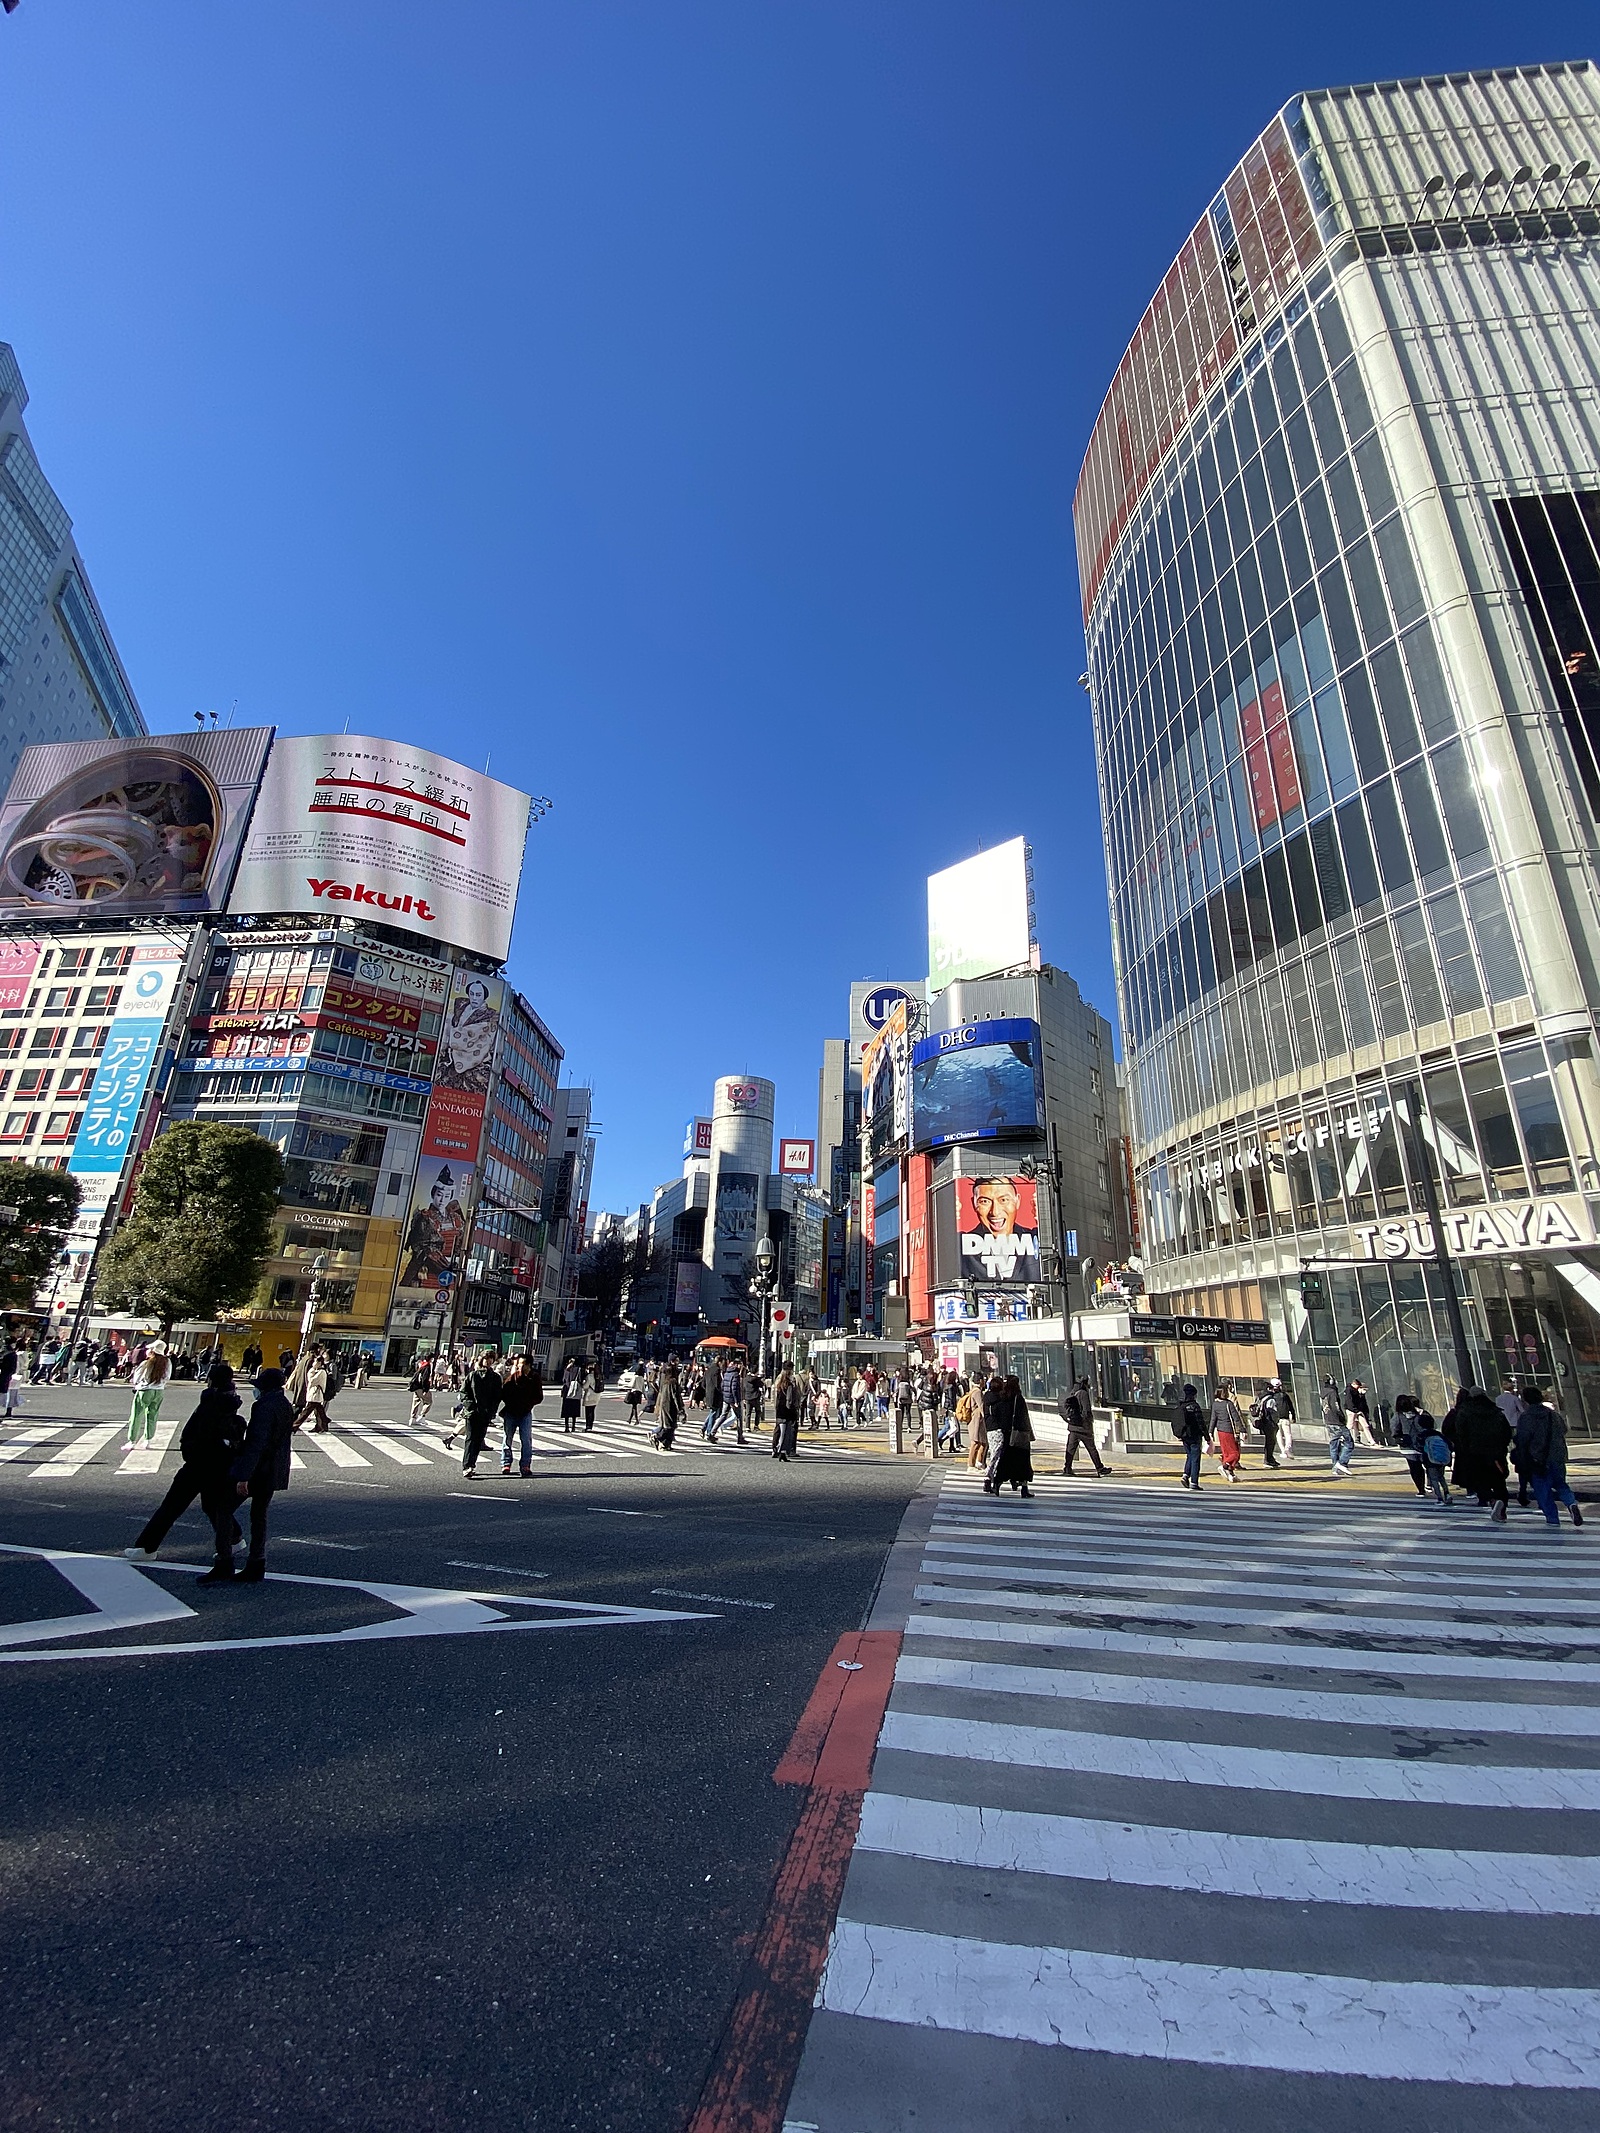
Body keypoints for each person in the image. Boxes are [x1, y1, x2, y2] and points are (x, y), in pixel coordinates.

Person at [128, 1364, 247, 1565]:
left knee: (171, 1507)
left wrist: (189, 1452)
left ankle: (146, 1548)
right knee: (212, 1506)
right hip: (219, 1465)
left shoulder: (209, 1403)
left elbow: (196, 1435)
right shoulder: (231, 1404)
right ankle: (234, 1538)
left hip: (197, 1465)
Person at [226, 1365, 298, 1581]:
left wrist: (244, 1475)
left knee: (223, 1508)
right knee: (259, 1515)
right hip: (275, 1468)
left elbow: (256, 1443)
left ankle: (227, 1553)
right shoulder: (284, 1404)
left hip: (259, 1469)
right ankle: (257, 1561)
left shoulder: (263, 1407)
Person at [1515, 1383, 1584, 1530]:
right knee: (1561, 1484)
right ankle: (1571, 1503)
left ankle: (1552, 1518)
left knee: (1543, 1490)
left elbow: (1523, 1439)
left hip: (1538, 1458)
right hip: (1557, 1456)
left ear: (1525, 1400)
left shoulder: (1526, 1417)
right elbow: (1563, 1430)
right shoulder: (1553, 1414)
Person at [1445, 1382, 1513, 1521]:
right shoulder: (1495, 1411)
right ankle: (1501, 1507)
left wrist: (1464, 1448)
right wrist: (1502, 1447)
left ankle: (1491, 1500)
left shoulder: (1464, 1412)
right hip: (1496, 1453)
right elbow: (1506, 1432)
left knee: (1479, 1480)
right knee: (1499, 1482)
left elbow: (1461, 1433)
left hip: (1474, 1453)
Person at [458, 1352, 505, 1477]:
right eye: (485, 1358)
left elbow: (497, 1396)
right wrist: (470, 1406)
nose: (488, 1361)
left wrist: (492, 1412)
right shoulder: (473, 1375)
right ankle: (467, 1466)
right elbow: (464, 1392)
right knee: (470, 1438)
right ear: (480, 1359)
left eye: (490, 1359)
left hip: (485, 1414)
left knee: (479, 1440)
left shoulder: (495, 1377)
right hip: (472, 1413)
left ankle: (472, 1464)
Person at [991, 1377, 1035, 1497]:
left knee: (1005, 1460)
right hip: (1019, 1434)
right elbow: (1023, 1417)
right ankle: (1024, 1488)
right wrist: (1028, 1433)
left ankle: (997, 1483)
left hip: (1007, 1434)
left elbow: (996, 1413)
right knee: (1023, 1462)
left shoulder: (1002, 1397)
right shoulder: (1018, 1398)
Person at [499, 1356, 541, 1477]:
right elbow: (504, 1392)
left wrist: (527, 1404)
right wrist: (510, 1403)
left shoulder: (534, 1377)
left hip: (525, 1413)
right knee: (507, 1439)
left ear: (528, 1365)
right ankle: (506, 1463)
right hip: (511, 1412)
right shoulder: (514, 1376)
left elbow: (538, 1396)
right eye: (518, 1364)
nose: (519, 1366)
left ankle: (525, 1465)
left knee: (526, 1440)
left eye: (521, 1364)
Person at [1060, 1377, 1109, 1476]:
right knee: (1091, 1448)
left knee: (1070, 1448)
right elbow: (1086, 1411)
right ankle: (1099, 1468)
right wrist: (1088, 1423)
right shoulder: (1083, 1393)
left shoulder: (1073, 1392)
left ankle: (1067, 1467)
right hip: (1083, 1427)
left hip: (1073, 1426)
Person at [126, 1341, 171, 1448]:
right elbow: (167, 1377)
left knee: (136, 1415)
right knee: (152, 1415)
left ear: (152, 1351)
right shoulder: (167, 1362)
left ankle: (132, 1440)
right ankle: (148, 1440)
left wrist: (138, 1385)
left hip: (145, 1390)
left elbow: (136, 1378)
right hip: (159, 1391)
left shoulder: (146, 1363)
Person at [1174, 1383, 1208, 1490]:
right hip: (1195, 1435)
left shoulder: (1180, 1405)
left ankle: (1185, 1475)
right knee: (1195, 1458)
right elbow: (1201, 1423)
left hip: (1184, 1435)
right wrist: (1207, 1436)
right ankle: (1194, 1481)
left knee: (1189, 1455)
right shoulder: (1194, 1406)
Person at [1210, 1380, 1245, 1481]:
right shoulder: (1228, 1404)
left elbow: (1213, 1419)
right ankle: (1225, 1466)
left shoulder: (1215, 1404)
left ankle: (1230, 1473)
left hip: (1220, 1431)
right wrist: (1243, 1430)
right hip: (1230, 1430)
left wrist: (1210, 1432)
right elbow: (1236, 1418)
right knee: (1235, 1453)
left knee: (1226, 1453)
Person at [296, 1347, 335, 1434]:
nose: (313, 1363)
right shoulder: (317, 1371)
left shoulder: (321, 1372)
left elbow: (312, 1381)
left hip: (315, 1394)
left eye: (315, 1362)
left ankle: (294, 1426)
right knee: (319, 1412)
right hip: (315, 1394)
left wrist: (312, 1370)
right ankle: (323, 1424)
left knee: (305, 1412)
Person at [1254, 1379, 1291, 1469]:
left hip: (1263, 1422)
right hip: (1270, 1423)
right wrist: (1275, 1421)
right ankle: (1268, 1460)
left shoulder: (1260, 1397)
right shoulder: (1270, 1399)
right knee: (1271, 1442)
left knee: (1268, 1442)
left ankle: (1269, 1459)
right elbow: (1273, 1412)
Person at [1322, 1375, 1354, 1477]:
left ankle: (1335, 1467)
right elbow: (1336, 1407)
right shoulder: (1332, 1392)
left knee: (1334, 1444)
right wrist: (1342, 1417)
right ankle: (1342, 1463)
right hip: (1337, 1421)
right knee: (1349, 1443)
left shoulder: (1323, 1392)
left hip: (1328, 1420)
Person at [651, 1358, 684, 1450]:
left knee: (669, 1426)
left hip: (664, 1404)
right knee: (670, 1426)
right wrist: (680, 1409)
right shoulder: (673, 1382)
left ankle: (666, 1444)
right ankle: (657, 1436)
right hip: (670, 1406)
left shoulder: (665, 1382)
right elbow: (675, 1396)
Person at [771, 1365, 800, 1461]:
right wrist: (792, 1409)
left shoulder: (779, 1383)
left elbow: (775, 1397)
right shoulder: (789, 1385)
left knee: (780, 1431)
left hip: (779, 1410)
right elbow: (789, 1400)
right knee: (785, 1433)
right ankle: (780, 1451)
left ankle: (779, 1451)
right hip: (787, 1412)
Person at [1344, 1377, 1373, 1447]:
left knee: (1365, 1425)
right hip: (1353, 1410)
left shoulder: (1358, 1393)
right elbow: (1350, 1402)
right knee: (1351, 1425)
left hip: (1358, 1411)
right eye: (1364, 1389)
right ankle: (1346, 1438)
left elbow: (1363, 1404)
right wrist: (1356, 1410)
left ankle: (1371, 1441)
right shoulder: (1351, 1391)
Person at [560, 1357, 584, 1435]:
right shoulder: (579, 1369)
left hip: (567, 1391)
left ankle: (566, 1426)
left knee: (566, 1410)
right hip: (575, 1391)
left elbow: (563, 1380)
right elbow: (580, 1380)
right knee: (574, 1410)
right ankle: (573, 1426)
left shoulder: (566, 1370)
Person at [409, 1358, 434, 1424]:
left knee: (416, 1401)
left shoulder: (420, 1364)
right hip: (421, 1387)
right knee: (428, 1401)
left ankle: (413, 1418)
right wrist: (425, 1389)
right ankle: (422, 1416)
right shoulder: (427, 1366)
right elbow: (425, 1378)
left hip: (415, 1386)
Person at [0, 1335, 18, 1417]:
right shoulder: (12, 1353)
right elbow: (13, 1368)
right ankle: (8, 1412)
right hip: (5, 1375)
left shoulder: (2, 1350)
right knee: (10, 1393)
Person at [583, 1358, 601, 1433]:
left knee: (588, 1411)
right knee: (592, 1411)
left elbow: (585, 1386)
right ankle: (591, 1425)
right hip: (597, 1394)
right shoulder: (599, 1376)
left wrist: (583, 1383)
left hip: (589, 1394)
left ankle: (588, 1426)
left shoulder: (589, 1376)